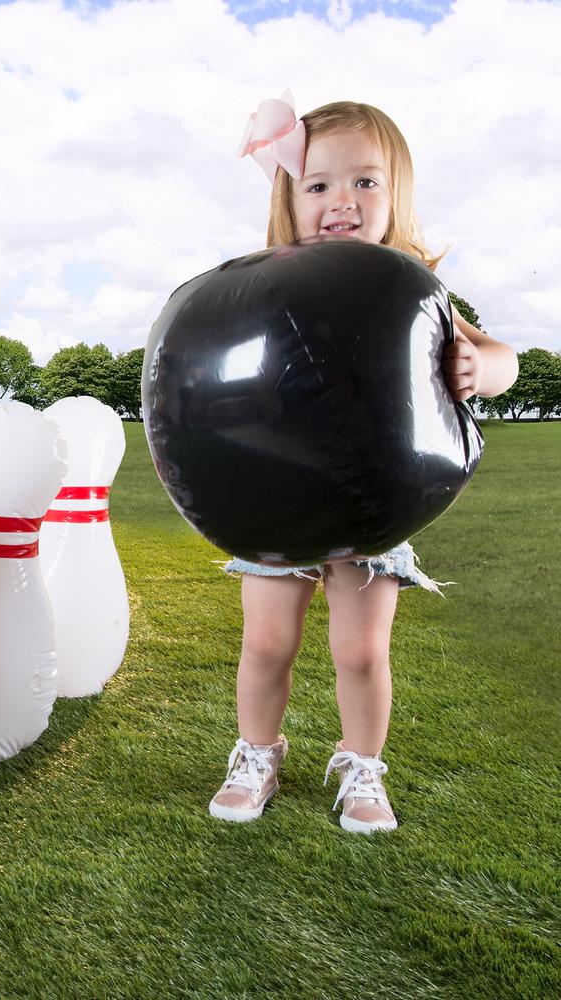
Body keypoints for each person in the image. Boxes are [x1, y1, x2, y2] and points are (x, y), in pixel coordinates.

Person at [211, 93, 518, 834]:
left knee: (359, 648)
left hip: (377, 496)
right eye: (318, 185)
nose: (341, 201)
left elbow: (502, 356)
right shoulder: (269, 281)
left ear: (396, 195)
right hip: (279, 493)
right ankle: (257, 754)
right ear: (291, 196)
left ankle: (362, 765)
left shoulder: (412, 289)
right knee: (267, 640)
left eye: (365, 182)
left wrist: (480, 366)